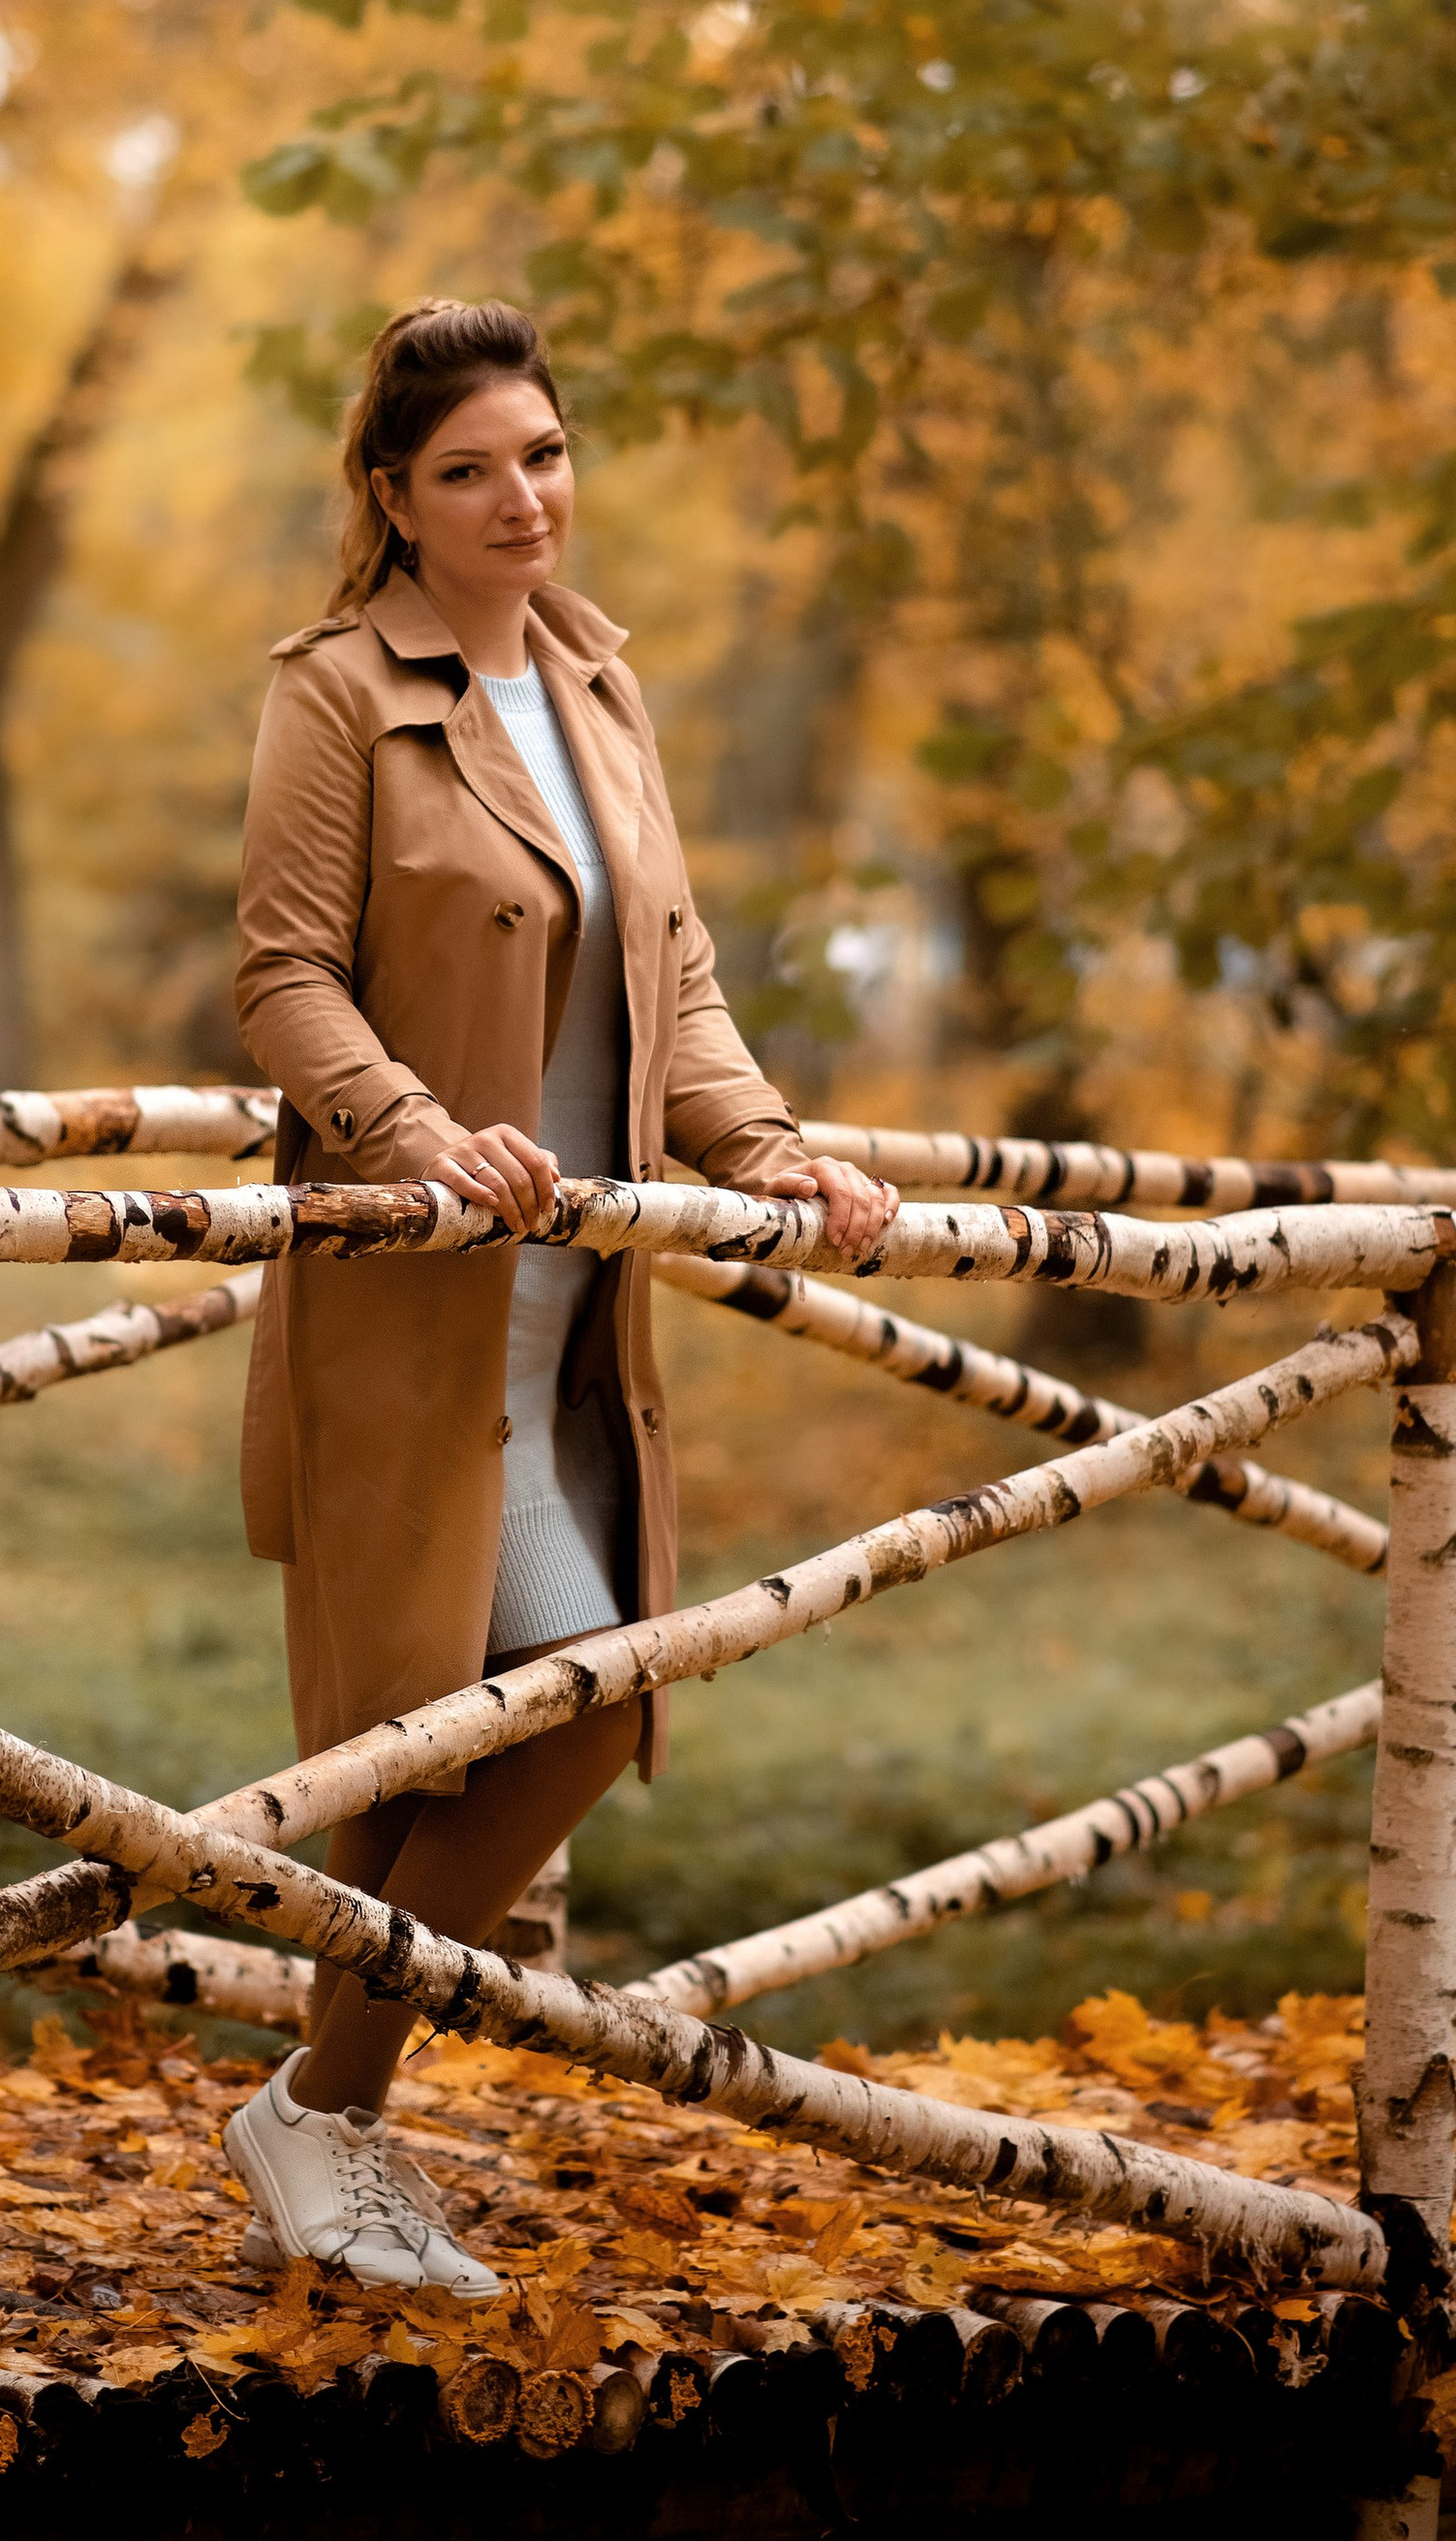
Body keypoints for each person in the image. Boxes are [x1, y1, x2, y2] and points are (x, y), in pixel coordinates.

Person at [221, 297, 893, 2292]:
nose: (522, 497)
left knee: (521, 1718)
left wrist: (770, 1150)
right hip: (417, 1303)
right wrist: (411, 1128)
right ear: (389, 498)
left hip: (588, 1325)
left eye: (544, 451)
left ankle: (327, 2129)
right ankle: (318, 2117)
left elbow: (667, 990)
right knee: (542, 1702)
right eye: (467, 469)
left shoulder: (602, 689)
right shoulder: (338, 689)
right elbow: (277, 973)